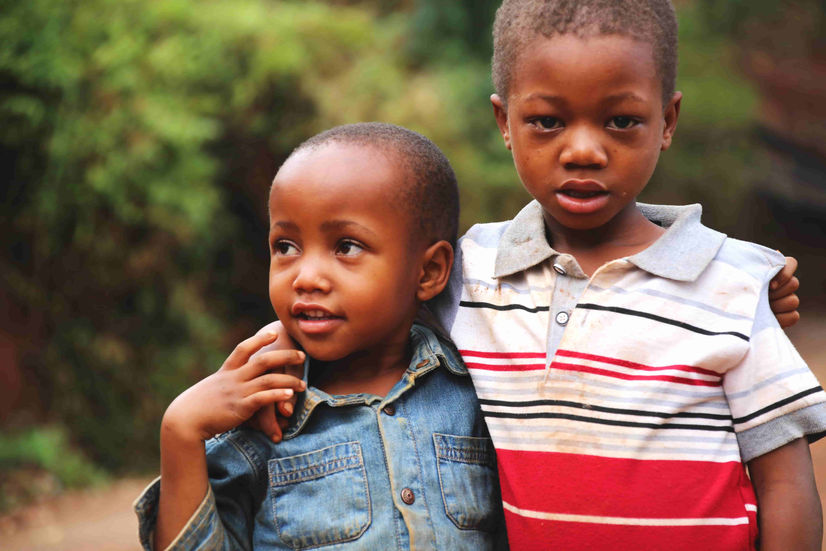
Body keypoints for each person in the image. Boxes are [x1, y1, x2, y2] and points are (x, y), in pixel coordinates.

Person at [422, 1, 825, 550]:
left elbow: (784, 480)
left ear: (668, 122)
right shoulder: (468, 272)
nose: (584, 151)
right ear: (504, 124)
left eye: (621, 121)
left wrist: (750, 288)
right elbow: (366, 336)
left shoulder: (729, 283)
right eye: (547, 121)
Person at [134, 123, 506, 550]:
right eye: (286, 246)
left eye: (346, 246)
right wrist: (180, 431)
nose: (306, 277)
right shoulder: (263, 415)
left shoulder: (478, 392)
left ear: (429, 272)